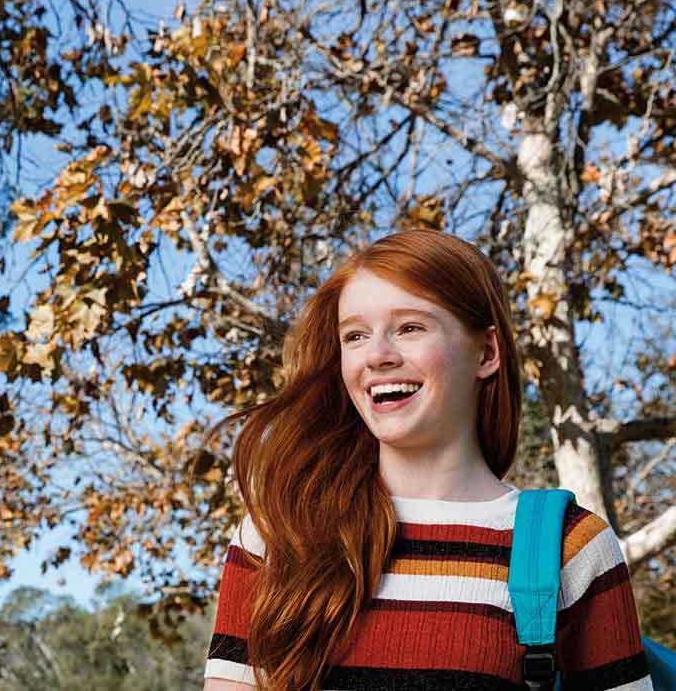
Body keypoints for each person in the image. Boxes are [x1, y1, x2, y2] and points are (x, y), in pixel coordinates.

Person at [203, 230, 652, 691]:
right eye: (355, 335)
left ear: (486, 352)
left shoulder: (572, 546)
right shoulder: (279, 533)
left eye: (409, 327)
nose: (376, 355)